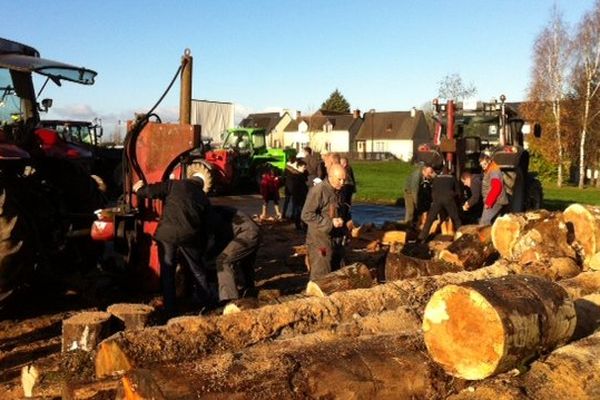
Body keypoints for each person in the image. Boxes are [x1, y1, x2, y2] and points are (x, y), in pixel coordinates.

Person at [133, 174, 211, 316]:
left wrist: (139, 189)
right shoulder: (203, 197)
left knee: (168, 270)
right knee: (197, 270)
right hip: (190, 237)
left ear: (189, 179)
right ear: (200, 185)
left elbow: (150, 192)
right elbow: (206, 225)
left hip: (167, 235)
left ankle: (170, 308)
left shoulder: (174, 185)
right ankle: (206, 303)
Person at [301, 163, 350, 279]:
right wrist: (330, 223)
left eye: (344, 179)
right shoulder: (319, 191)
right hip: (319, 239)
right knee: (322, 273)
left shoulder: (339, 190)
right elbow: (306, 215)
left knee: (337, 270)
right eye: (339, 180)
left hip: (335, 237)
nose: (342, 183)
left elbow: (340, 210)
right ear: (331, 176)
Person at [206, 205, 261, 303]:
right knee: (245, 262)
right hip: (253, 230)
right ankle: (249, 290)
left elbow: (221, 238)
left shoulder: (212, 215)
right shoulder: (218, 210)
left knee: (223, 261)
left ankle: (229, 298)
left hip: (246, 233)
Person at [417, 168, 462, 242]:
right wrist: (453, 197)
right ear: (450, 172)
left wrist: (435, 200)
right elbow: (458, 192)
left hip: (437, 200)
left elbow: (433, 190)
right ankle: (461, 236)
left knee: (429, 220)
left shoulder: (436, 178)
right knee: (456, 218)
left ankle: (421, 238)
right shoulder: (452, 178)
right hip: (448, 199)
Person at [479, 153, 509, 225]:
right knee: (495, 223)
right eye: (481, 165)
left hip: (495, 201)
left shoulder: (494, 170)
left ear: (489, 161)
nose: (483, 166)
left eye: (484, 164)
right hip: (495, 201)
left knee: (484, 223)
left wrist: (489, 202)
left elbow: (496, 187)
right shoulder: (490, 169)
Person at [404, 163, 435, 227]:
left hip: (418, 191)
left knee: (418, 209)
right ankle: (407, 226)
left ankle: (415, 225)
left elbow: (432, 177)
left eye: (430, 173)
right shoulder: (416, 176)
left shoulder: (425, 174)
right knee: (411, 210)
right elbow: (414, 191)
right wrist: (416, 202)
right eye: (428, 173)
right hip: (409, 192)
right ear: (424, 171)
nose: (429, 175)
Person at [289, 159, 308, 230]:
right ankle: (299, 225)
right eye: (303, 167)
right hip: (299, 196)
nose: (305, 169)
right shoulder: (297, 176)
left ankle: (299, 225)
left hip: (300, 196)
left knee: (299, 211)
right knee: (299, 211)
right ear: (299, 167)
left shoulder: (300, 176)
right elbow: (296, 188)